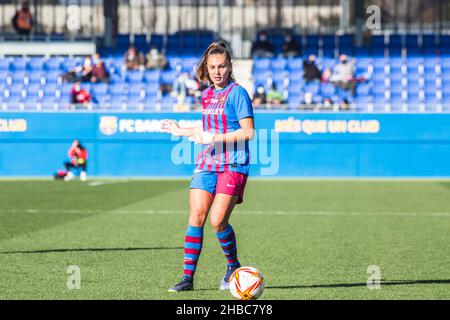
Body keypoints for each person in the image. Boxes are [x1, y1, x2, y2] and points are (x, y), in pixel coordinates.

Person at [161, 41, 255, 292]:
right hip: (208, 161)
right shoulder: (207, 95)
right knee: (196, 216)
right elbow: (208, 129)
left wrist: (212, 138)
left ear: (230, 66)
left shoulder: (238, 93)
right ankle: (187, 278)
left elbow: (248, 133)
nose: (217, 71)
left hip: (234, 163)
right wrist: (182, 130)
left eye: (222, 66)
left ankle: (233, 266)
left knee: (217, 220)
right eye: (212, 66)